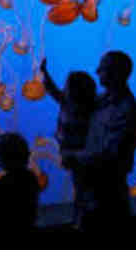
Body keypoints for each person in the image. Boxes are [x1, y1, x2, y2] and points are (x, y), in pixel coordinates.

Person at [61, 51, 136, 241]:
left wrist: (73, 156)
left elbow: (111, 156)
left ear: (116, 73)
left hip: (108, 199)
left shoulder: (127, 110)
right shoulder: (101, 101)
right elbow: (72, 103)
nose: (97, 71)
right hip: (86, 194)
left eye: (103, 68)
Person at [39, 58, 97, 229]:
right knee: (79, 188)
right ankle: (80, 218)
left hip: (83, 156)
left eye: (67, 87)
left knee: (84, 189)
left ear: (76, 91)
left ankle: (84, 221)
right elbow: (52, 90)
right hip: (70, 154)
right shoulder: (67, 102)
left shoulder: (91, 110)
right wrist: (45, 73)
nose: (64, 89)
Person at [0, 132, 41, 248]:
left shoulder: (3, 182)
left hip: (7, 234)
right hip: (29, 230)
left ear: (2, 158)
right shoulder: (31, 177)